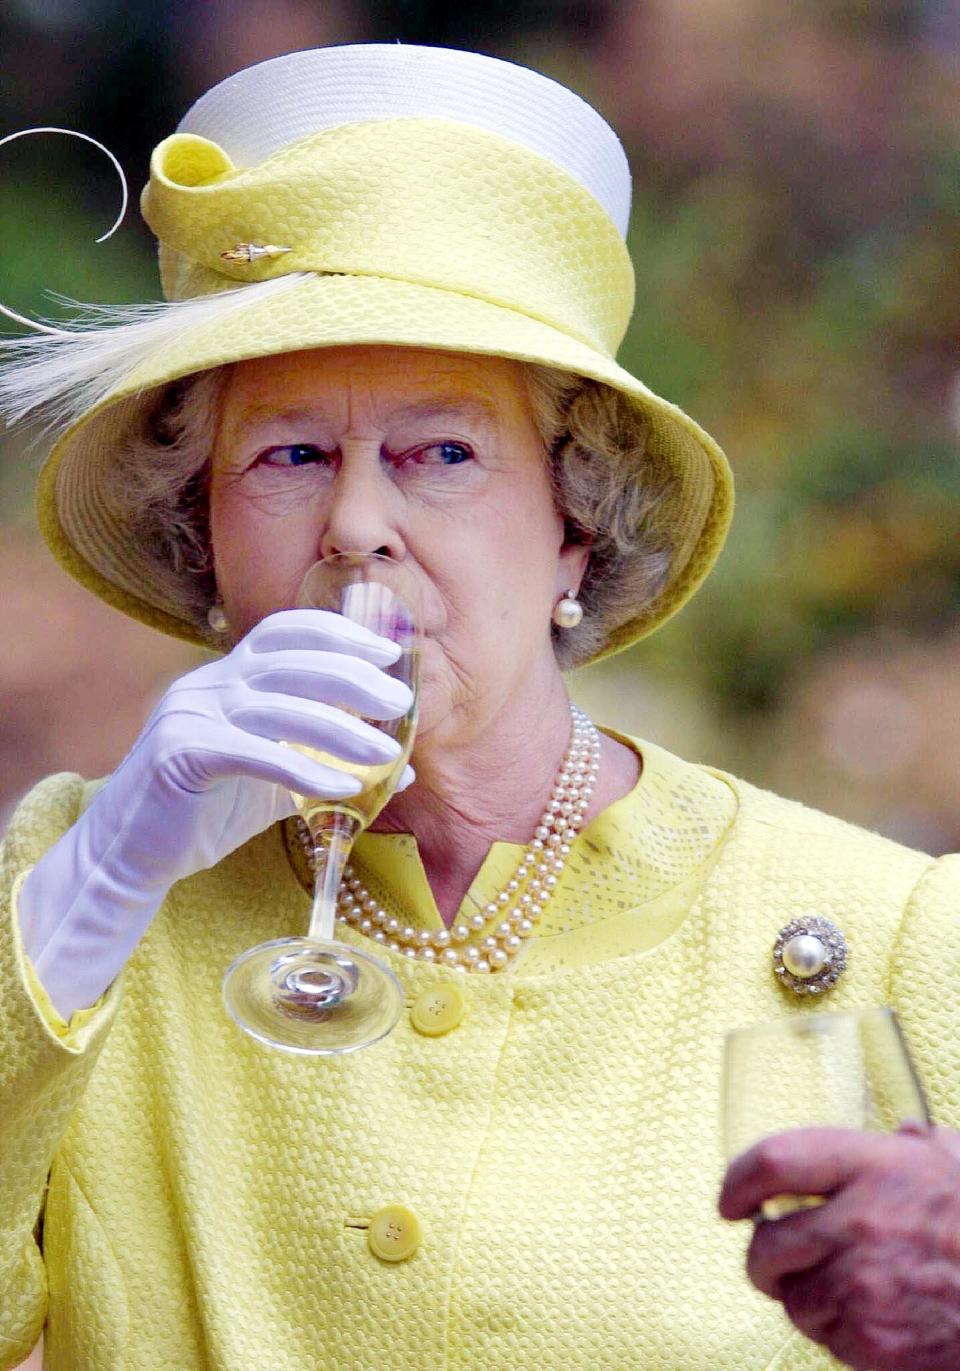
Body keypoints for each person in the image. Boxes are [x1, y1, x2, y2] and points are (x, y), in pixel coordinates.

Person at [1, 42, 959, 1371]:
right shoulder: (76, 890)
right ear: (202, 535)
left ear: (575, 524)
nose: (354, 525)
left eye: (439, 453)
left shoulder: (895, 935)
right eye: (288, 457)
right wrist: (98, 888)